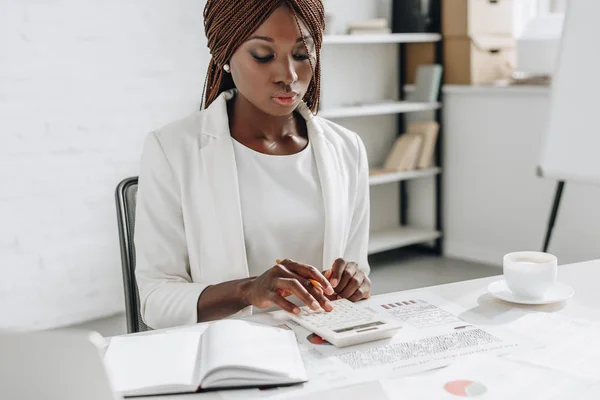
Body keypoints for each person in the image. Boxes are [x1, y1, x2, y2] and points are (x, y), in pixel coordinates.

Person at [134, 0, 372, 330]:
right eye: (263, 55)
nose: (288, 75)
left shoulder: (347, 149)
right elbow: (155, 301)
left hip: (323, 349)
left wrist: (355, 281)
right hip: (228, 355)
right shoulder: (171, 149)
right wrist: (248, 291)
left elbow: (357, 267)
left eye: (302, 55)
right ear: (223, 55)